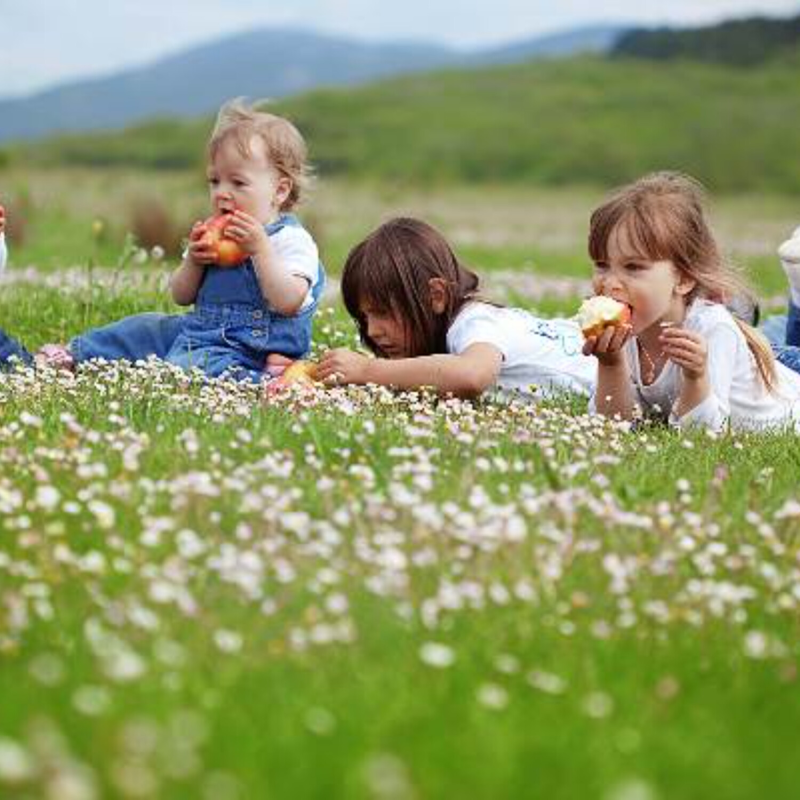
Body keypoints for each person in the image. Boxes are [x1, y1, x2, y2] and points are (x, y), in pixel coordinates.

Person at [36, 99, 325, 382]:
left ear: (280, 191)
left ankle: (270, 381)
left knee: (188, 366)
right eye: (215, 181)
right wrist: (194, 262)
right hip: (200, 330)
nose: (222, 193)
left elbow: (289, 301)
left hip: (254, 348)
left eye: (238, 183)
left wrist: (260, 250)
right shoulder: (214, 235)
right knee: (144, 328)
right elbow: (181, 295)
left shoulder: (291, 241)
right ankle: (76, 355)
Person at [582, 171, 800, 431]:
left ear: (684, 279)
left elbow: (703, 434)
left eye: (633, 267)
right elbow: (610, 425)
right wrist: (610, 365)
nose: (610, 283)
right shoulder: (629, 332)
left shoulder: (712, 329)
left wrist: (696, 378)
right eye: (602, 265)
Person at [316, 216, 598, 400]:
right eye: (364, 317)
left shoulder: (474, 322)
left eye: (384, 313)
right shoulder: (460, 331)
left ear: (436, 295)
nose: (373, 330)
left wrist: (367, 370)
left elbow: (472, 376)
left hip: (622, 379)